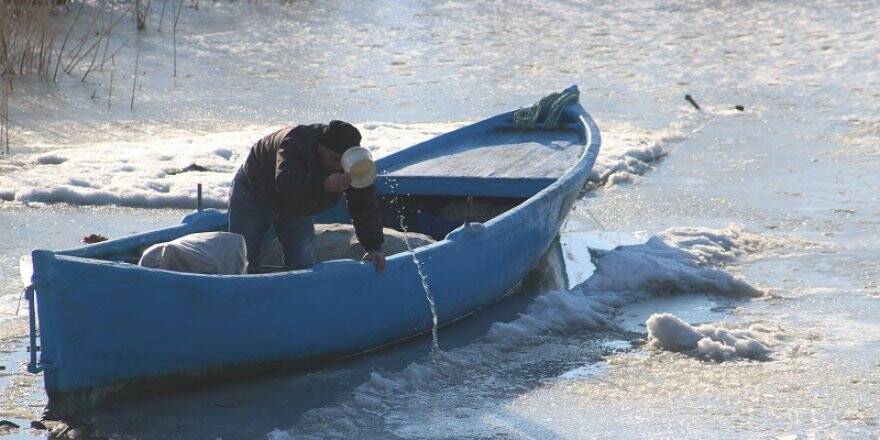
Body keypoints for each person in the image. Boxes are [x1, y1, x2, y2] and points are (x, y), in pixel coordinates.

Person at [228, 120, 385, 273]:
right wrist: (323, 184)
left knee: (302, 265)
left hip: (297, 205)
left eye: (342, 163)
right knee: (241, 260)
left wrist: (373, 246)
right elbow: (285, 182)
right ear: (320, 148)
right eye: (335, 159)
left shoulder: (353, 163)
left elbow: (364, 204)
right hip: (254, 192)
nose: (338, 167)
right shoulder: (294, 143)